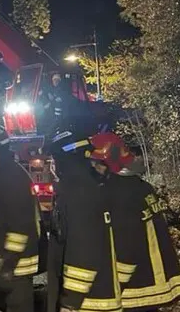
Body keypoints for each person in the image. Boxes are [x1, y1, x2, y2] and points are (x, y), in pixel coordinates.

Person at [88, 133, 180, 311]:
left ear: (105, 164)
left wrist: (115, 278)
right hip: (151, 276)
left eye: (95, 164)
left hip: (135, 283)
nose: (93, 169)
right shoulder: (141, 187)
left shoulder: (117, 192)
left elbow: (126, 239)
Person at [45, 126, 122, 312]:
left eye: (54, 159)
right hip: (93, 298)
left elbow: (83, 250)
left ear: (65, 159)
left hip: (87, 303)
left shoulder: (77, 193)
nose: (52, 165)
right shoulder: (88, 186)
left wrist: (71, 301)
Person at [0, 125, 40, 312]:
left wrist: (8, 263)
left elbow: (20, 226)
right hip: (12, 266)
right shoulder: (3, 173)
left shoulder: (11, 177)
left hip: (18, 267)